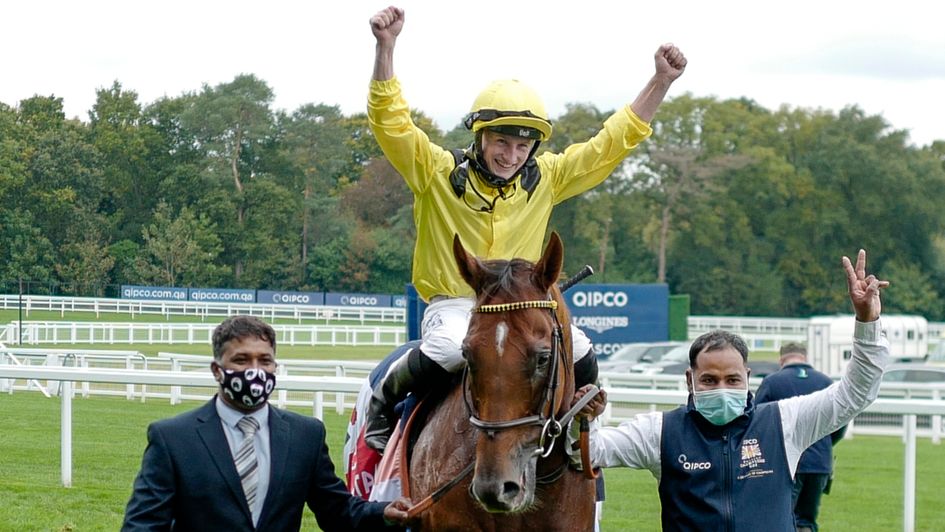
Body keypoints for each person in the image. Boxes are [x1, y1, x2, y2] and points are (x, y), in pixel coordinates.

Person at [363, 5, 688, 451]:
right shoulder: (434, 171)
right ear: (479, 137)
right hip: (456, 304)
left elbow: (610, 145)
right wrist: (386, 48)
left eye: (521, 146)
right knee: (450, 348)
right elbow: (391, 125)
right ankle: (382, 403)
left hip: (523, 305)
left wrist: (660, 82)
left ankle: (576, 431)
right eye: (501, 141)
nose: (511, 155)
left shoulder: (549, 177)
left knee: (581, 349)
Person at [572, 249, 890, 531]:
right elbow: (587, 452)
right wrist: (584, 419)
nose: (722, 388)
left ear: (748, 377)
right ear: (689, 380)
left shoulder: (785, 422)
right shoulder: (661, 432)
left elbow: (856, 393)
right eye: (709, 380)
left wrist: (867, 321)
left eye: (733, 380)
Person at [122, 315, 411, 531]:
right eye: (241, 360)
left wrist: (383, 511)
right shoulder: (173, 439)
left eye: (265, 361)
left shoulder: (305, 436)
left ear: (275, 367)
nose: (255, 371)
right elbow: (143, 525)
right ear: (216, 369)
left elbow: (337, 511)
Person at [755, 343, 847, 532]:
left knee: (781, 519)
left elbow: (757, 423)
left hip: (785, 462)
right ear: (804, 358)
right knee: (807, 520)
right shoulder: (825, 382)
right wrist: (825, 444)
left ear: (782, 360)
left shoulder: (772, 382)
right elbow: (840, 422)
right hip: (819, 462)